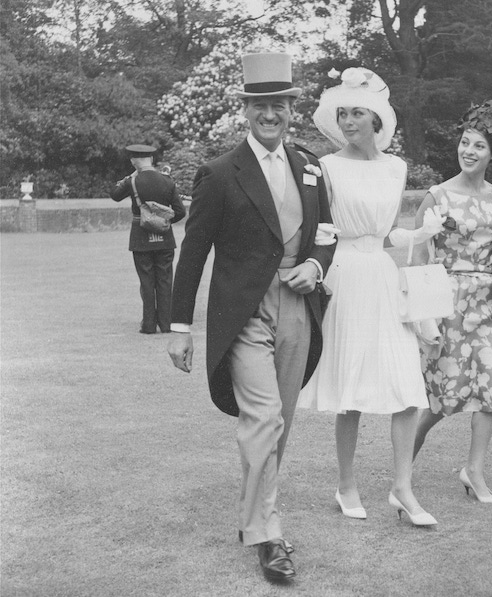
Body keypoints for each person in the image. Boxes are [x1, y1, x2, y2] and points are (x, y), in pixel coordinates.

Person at [166, 51, 336, 583]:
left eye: (279, 104)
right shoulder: (219, 173)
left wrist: (313, 263)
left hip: (298, 308)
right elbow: (192, 252)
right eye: (260, 104)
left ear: (291, 108)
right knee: (262, 417)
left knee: (277, 424)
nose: (271, 114)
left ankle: (258, 516)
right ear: (246, 110)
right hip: (244, 314)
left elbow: (327, 233)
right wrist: (179, 328)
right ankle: (267, 534)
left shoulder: (310, 166)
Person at [297, 67, 440, 526]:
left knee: (405, 386)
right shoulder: (326, 167)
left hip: (382, 276)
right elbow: (326, 232)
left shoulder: (396, 167)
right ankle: (346, 485)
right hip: (344, 279)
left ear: (377, 118)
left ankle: (403, 488)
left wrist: (419, 233)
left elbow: (385, 233)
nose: (350, 121)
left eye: (358, 112)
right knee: (352, 391)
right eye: (344, 113)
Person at [411, 101, 492, 504]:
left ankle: (475, 472)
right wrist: (422, 314)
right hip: (447, 300)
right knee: (442, 396)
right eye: (465, 143)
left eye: (479, 146)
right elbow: (417, 258)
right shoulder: (437, 196)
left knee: (491, 386)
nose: (470, 151)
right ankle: (402, 465)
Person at [110, 144, 186, 334]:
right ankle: (166, 324)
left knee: (146, 281)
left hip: (140, 236)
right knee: (165, 280)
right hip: (165, 238)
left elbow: (115, 195)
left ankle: (149, 325)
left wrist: (130, 177)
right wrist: (164, 222)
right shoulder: (167, 180)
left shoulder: (132, 181)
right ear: (151, 160)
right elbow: (180, 211)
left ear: (133, 161)